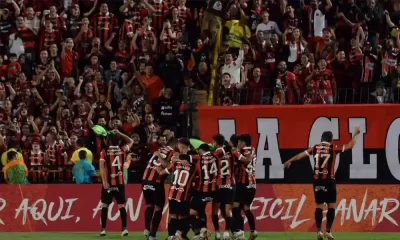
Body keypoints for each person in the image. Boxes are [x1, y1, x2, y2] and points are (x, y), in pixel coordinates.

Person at [284, 127, 361, 240]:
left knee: (319, 205)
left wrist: (290, 160)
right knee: (331, 205)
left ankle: (319, 231)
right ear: (331, 140)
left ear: (321, 139)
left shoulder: (315, 147)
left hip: (317, 180)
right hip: (329, 180)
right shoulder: (333, 147)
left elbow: (301, 155)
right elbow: (350, 146)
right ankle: (328, 231)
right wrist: (355, 135)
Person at [158, 138, 200, 240]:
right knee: (184, 216)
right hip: (185, 193)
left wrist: (158, 164)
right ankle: (179, 234)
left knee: (173, 215)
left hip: (173, 192)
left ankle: (173, 235)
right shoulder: (194, 163)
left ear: (182, 146)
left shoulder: (175, 162)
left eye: (179, 146)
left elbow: (161, 172)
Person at [99, 131, 134, 237]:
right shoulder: (123, 149)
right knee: (121, 205)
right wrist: (120, 132)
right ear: (119, 141)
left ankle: (103, 229)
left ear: (108, 141)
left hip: (108, 183)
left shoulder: (104, 151)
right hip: (119, 182)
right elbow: (131, 141)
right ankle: (124, 229)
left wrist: (104, 181)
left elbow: (101, 166)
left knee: (105, 205)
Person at [142, 141, 174, 240]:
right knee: (158, 208)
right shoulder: (172, 152)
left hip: (145, 181)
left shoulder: (160, 149)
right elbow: (166, 164)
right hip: (156, 182)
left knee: (149, 205)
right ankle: (152, 234)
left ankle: (147, 229)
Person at [231, 134, 257, 240]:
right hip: (253, 184)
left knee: (235, 208)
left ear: (243, 143)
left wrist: (234, 150)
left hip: (242, 184)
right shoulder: (253, 150)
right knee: (246, 208)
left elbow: (243, 159)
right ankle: (253, 230)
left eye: (239, 142)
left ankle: (240, 232)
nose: (238, 144)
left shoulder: (241, 152)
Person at [189, 143, 218, 239]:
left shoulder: (199, 159)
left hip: (203, 190)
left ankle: (202, 231)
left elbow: (195, 168)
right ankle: (203, 231)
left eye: (199, 150)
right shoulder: (216, 157)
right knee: (201, 210)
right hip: (214, 190)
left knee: (191, 212)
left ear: (201, 150)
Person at [212, 134, 235, 240]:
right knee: (227, 211)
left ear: (216, 142)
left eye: (213, 142)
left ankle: (217, 232)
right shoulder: (230, 153)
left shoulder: (216, 153)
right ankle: (227, 232)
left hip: (219, 184)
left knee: (215, 210)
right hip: (230, 184)